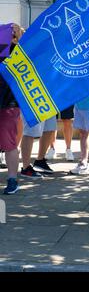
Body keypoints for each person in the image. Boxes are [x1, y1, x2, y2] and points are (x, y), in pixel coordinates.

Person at [0, 24, 24, 193]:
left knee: (9, 144)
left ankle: (12, 180)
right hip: (8, 103)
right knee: (9, 144)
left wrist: (19, 36)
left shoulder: (17, 51)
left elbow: (29, 54)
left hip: (9, 104)